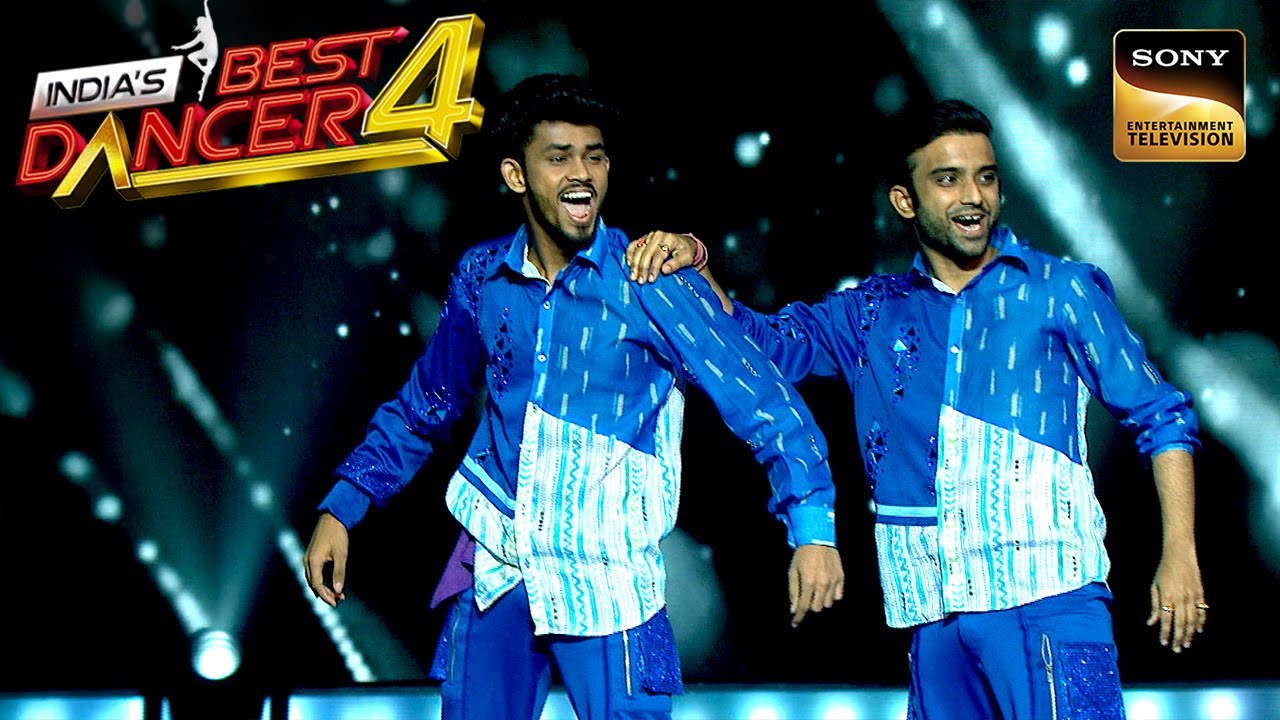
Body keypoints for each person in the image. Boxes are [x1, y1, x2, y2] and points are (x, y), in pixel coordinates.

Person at [627, 98, 1207, 719]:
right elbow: (757, 346)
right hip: (934, 620)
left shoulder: (1060, 291)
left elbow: (1162, 417)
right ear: (906, 200)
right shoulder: (870, 312)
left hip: (1051, 605)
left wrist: (1181, 553)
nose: (973, 197)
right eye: (948, 179)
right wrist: (695, 262)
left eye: (986, 177)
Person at [302, 73, 845, 720]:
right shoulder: (482, 277)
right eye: (559, 157)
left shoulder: (652, 280)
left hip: (608, 577)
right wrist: (343, 507)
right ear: (516, 174)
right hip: (498, 564)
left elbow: (763, 401)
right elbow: (427, 403)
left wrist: (813, 528)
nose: (581, 173)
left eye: (595, 156)